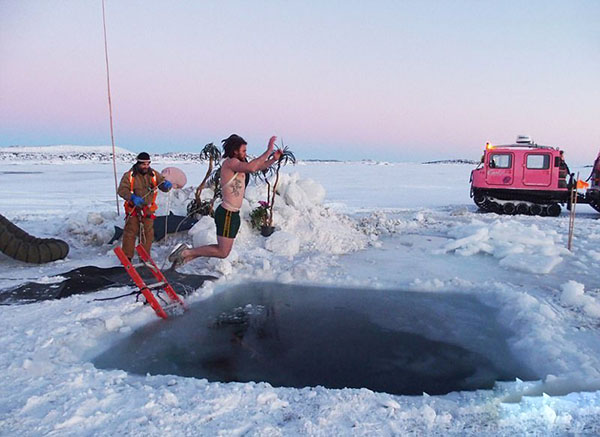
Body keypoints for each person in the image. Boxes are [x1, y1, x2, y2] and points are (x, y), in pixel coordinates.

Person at [168, 134, 282, 268]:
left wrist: (273, 159)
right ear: (235, 151)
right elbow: (252, 167)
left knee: (223, 250)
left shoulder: (239, 164)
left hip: (232, 214)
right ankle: (186, 253)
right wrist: (268, 150)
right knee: (223, 252)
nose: (246, 153)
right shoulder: (230, 162)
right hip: (227, 213)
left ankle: (185, 256)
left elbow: (257, 167)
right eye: (243, 150)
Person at [117, 152, 172, 259]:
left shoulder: (154, 175)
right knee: (130, 232)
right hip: (133, 208)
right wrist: (132, 197)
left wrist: (166, 186)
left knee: (147, 234)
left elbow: (163, 185)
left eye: (148, 164)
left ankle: (144, 257)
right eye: (143, 164)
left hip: (148, 209)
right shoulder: (129, 176)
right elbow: (121, 190)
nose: (146, 166)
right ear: (138, 163)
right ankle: (127, 258)